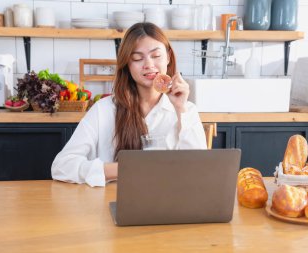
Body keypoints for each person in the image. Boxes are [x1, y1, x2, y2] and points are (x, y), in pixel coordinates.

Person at [51, 22, 207, 187]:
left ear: (168, 56)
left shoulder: (185, 109)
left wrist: (181, 109)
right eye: (137, 58)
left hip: (167, 205)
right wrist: (125, 169)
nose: (148, 64)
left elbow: (200, 169)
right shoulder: (104, 110)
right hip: (111, 204)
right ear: (127, 64)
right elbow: (61, 167)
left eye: (156, 56)